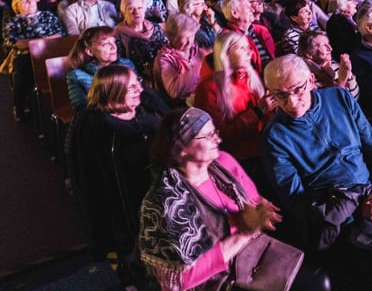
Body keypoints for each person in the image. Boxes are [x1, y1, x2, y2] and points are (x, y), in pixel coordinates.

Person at [260, 55, 372, 291]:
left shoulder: (339, 98)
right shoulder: (274, 138)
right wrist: (357, 214)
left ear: (311, 80)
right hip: (335, 220)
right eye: (280, 95)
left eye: (297, 89)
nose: (291, 102)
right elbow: (297, 203)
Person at [139, 108, 317, 291]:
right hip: (216, 281)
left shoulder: (223, 163)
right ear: (182, 148)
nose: (218, 139)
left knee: (316, 280)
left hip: (251, 256)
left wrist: (260, 210)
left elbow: (253, 201)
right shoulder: (168, 202)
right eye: (208, 136)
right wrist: (243, 232)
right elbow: (180, 280)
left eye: (214, 132)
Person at [67, 65, 168, 282]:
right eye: (131, 87)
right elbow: (91, 181)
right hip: (123, 204)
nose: (139, 89)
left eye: (138, 83)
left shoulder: (147, 111)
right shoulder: (93, 127)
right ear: (112, 92)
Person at [193, 31, 270, 175]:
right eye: (242, 48)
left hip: (266, 147)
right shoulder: (209, 89)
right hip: (240, 161)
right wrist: (257, 112)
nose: (250, 52)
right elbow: (221, 136)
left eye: (249, 47)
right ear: (226, 53)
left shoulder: (251, 79)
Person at [3, 0, 66, 121]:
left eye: (31, 0)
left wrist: (37, 42)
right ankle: (19, 105)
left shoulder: (48, 16)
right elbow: (11, 41)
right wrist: (37, 43)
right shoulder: (14, 21)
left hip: (51, 53)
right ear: (16, 6)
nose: (30, 3)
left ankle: (61, 105)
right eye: (25, 1)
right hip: (25, 55)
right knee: (22, 70)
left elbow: (60, 34)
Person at [67, 27, 136, 110]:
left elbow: (140, 94)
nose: (113, 47)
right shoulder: (77, 76)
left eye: (113, 41)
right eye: (105, 44)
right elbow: (81, 109)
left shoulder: (126, 64)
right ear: (90, 51)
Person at [153, 13, 207, 105]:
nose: (190, 41)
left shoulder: (195, 49)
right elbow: (174, 92)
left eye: (192, 36)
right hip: (183, 105)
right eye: (185, 37)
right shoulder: (165, 59)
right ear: (173, 37)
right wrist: (192, 70)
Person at [115, 0, 168, 81]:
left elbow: (166, 48)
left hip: (162, 70)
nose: (136, 12)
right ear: (124, 12)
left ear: (144, 10)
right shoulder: (118, 33)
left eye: (140, 8)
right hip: (137, 77)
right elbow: (120, 61)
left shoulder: (154, 27)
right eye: (131, 9)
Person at [298, 30, 359, 99]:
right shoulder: (307, 78)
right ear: (309, 54)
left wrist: (349, 76)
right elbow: (333, 105)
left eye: (328, 43)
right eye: (323, 46)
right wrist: (342, 81)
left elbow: (355, 96)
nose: (330, 48)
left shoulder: (332, 64)